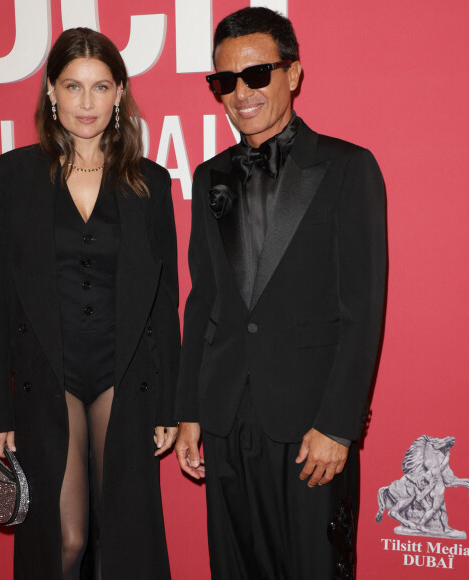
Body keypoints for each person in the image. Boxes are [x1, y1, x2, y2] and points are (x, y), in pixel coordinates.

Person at [175, 7, 386, 579]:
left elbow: (363, 310)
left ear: (292, 74)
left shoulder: (347, 168)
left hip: (309, 428)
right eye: (224, 81)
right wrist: (190, 411)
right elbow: (203, 302)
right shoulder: (208, 175)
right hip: (225, 419)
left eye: (257, 75)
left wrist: (338, 425)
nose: (240, 94)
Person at [0, 27, 180, 580]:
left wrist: (171, 403)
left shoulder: (150, 183)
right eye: (72, 86)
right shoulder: (7, 179)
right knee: (63, 541)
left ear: (119, 94)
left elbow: (165, 302)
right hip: (48, 377)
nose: (85, 103)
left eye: (100, 87)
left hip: (125, 376)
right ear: (50, 92)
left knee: (124, 547)